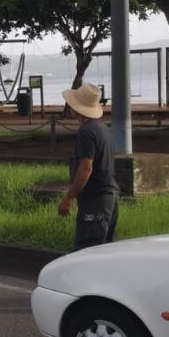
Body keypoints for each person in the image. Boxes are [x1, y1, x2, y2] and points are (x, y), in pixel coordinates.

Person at [58, 83, 118, 250]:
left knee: (88, 251)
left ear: (77, 108)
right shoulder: (103, 129)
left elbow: (86, 168)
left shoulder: (86, 132)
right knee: (104, 250)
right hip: (110, 198)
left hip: (96, 200)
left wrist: (69, 198)